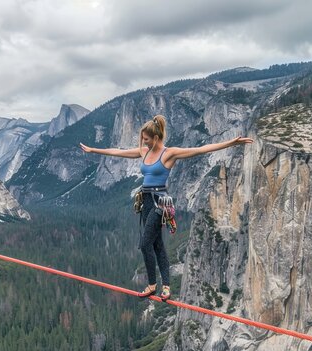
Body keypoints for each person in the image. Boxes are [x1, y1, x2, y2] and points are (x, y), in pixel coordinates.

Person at [80, 115, 253, 301]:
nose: (143, 142)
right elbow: (118, 152)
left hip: (160, 202)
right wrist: (93, 150)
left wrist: (231, 143)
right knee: (157, 245)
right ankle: (167, 287)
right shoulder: (144, 152)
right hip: (145, 200)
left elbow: (200, 150)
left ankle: (152, 285)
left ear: (156, 137)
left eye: (146, 139)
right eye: (143, 139)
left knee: (145, 244)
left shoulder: (169, 153)